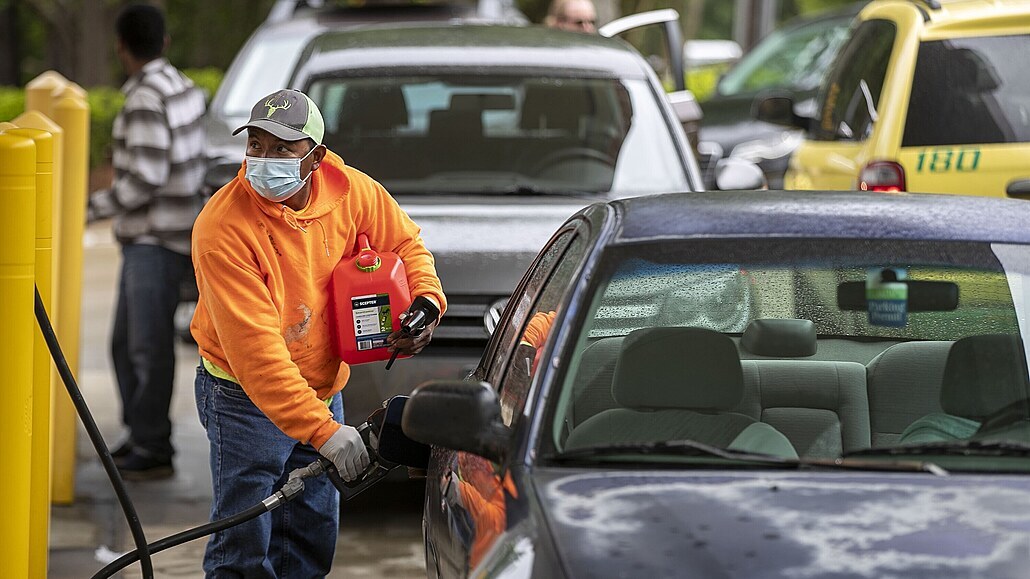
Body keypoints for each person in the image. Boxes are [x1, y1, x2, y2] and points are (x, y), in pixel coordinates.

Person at [190, 87, 446, 577]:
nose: (264, 160)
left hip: (322, 385)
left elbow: (407, 244)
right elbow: (258, 356)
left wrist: (427, 302)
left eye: (282, 149)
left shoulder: (351, 191)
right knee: (242, 548)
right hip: (243, 398)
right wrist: (323, 431)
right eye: (256, 146)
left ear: (315, 157)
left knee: (309, 541)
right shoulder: (222, 228)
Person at [87, 2, 207, 480]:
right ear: (164, 43)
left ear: (122, 47)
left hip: (154, 240)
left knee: (144, 348)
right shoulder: (184, 88)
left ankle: (153, 445)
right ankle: (143, 435)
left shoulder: (142, 98)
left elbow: (147, 177)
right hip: (178, 233)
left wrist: (91, 207)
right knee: (132, 345)